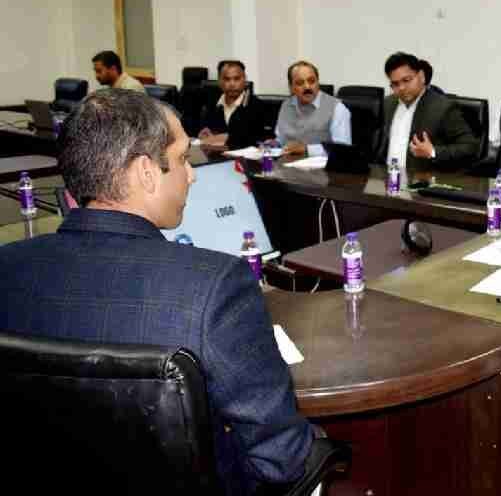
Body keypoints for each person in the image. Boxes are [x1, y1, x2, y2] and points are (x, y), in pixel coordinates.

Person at [0, 89, 316, 495]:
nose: (192, 174)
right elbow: (281, 458)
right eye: (183, 158)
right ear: (147, 172)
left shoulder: (7, 267)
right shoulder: (218, 285)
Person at [378, 51, 478, 171]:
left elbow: (470, 147)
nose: (401, 88)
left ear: (421, 76)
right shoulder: (387, 104)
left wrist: (433, 151)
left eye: (406, 80)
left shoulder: (443, 107)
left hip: (423, 179)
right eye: (395, 84)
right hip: (388, 177)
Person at [275, 60, 351, 156]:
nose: (307, 87)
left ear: (318, 82)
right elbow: (281, 139)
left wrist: (307, 149)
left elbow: (342, 149)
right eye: (300, 83)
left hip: (320, 165)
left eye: (311, 81)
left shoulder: (337, 108)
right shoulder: (286, 105)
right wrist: (273, 144)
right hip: (287, 162)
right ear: (291, 87)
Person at [197, 59, 267, 149]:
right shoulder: (212, 104)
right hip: (215, 155)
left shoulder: (256, 105)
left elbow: (254, 138)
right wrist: (203, 134)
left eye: (237, 79)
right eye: (227, 79)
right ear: (219, 81)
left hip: (244, 157)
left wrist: (225, 138)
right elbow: (206, 133)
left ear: (244, 79)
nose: (232, 84)